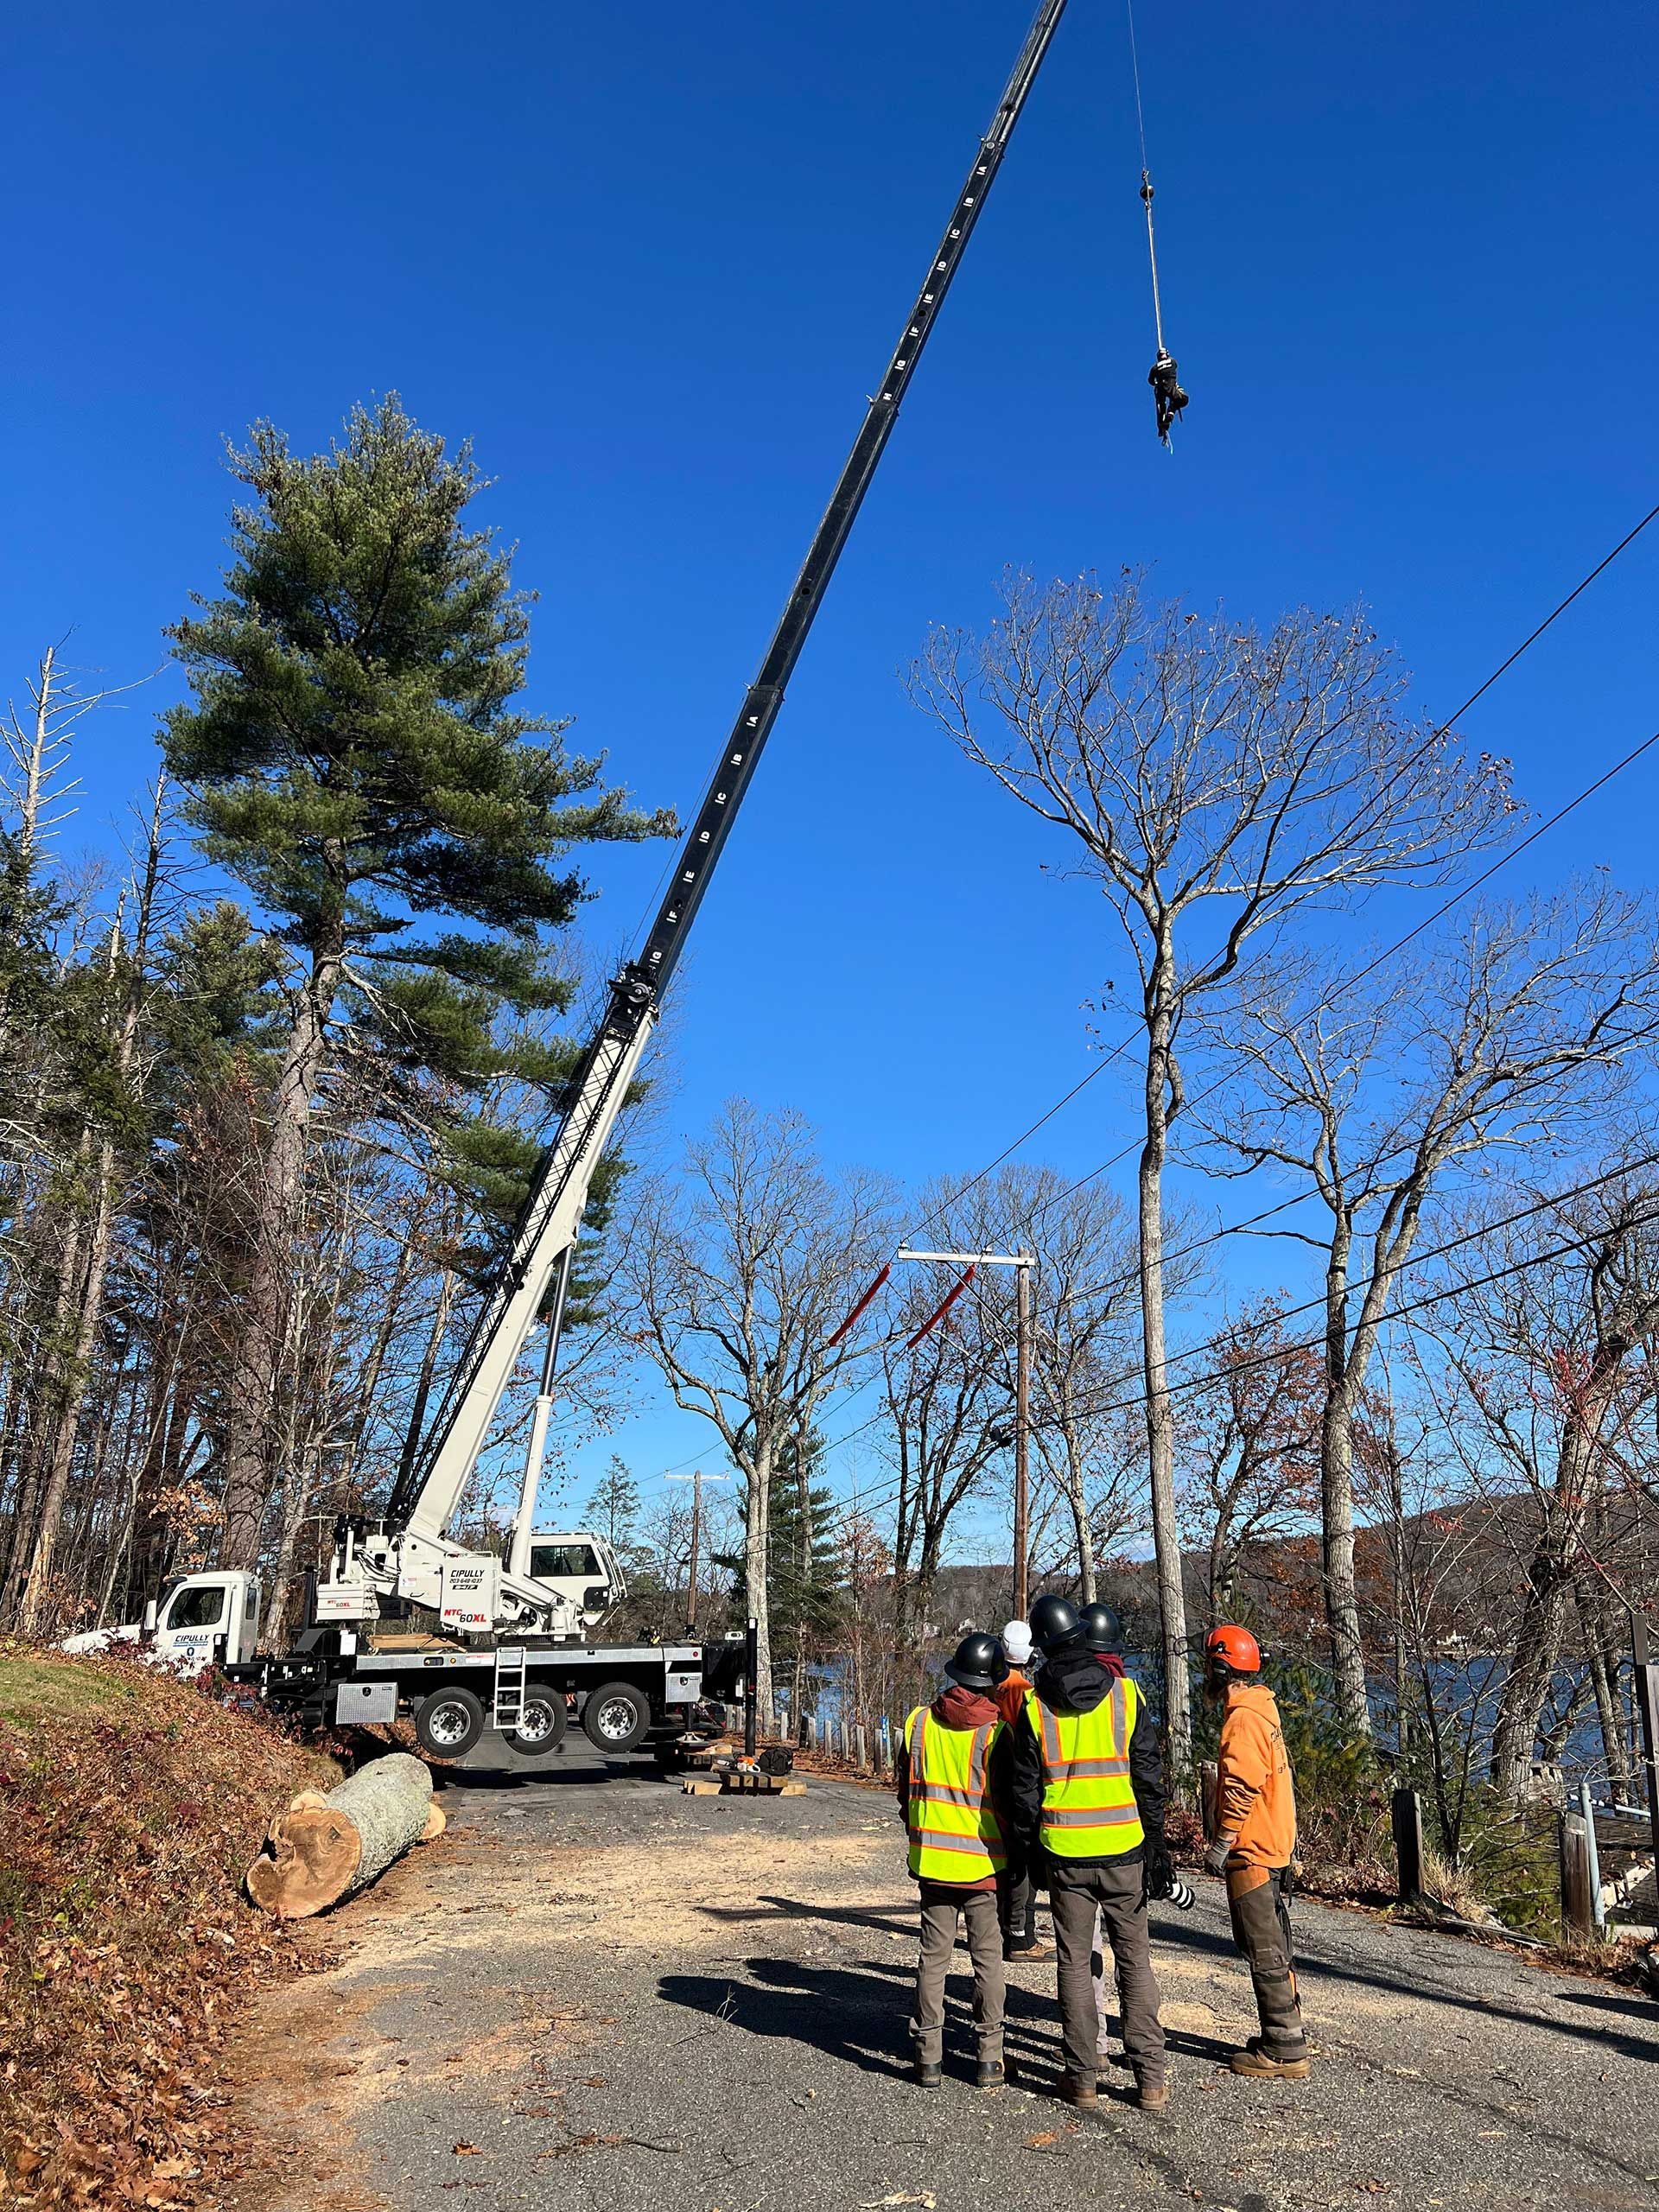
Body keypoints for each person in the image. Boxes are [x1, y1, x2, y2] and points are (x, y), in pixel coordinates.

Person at [1009, 1592, 1172, 2112]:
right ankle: (1150, 2079)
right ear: (1080, 1637)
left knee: (1075, 1963)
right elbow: (1149, 1778)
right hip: (1125, 1847)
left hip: (1065, 1854)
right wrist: (1157, 1845)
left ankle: (1082, 2077)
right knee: (1136, 1962)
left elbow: (1024, 1794)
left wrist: (1029, 1853)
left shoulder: (1034, 1708)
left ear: (1041, 1648)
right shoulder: (1126, 1695)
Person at [894, 1630, 1014, 2089]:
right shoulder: (997, 1731)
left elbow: (905, 1792)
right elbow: (1007, 1802)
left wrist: (918, 1831)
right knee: (988, 1961)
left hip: (932, 1862)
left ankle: (928, 2058)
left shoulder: (918, 1722)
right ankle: (988, 2058)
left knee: (933, 1958)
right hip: (984, 1865)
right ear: (992, 1682)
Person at [1202, 1624, 1310, 2080]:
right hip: (1274, 1842)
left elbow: (1241, 1786)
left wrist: (1221, 1842)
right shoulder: (1262, 1709)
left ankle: (1284, 2046)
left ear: (1220, 1668)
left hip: (1254, 1849)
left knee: (1262, 1946)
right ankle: (1286, 2032)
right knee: (1274, 1943)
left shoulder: (1243, 1719)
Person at [994, 1618, 1050, 1961]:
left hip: (992, 1782)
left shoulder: (991, 1685)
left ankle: (1003, 1927)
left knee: (1003, 1861)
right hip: (1020, 1783)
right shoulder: (1026, 1692)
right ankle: (1020, 1936)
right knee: (1023, 1862)